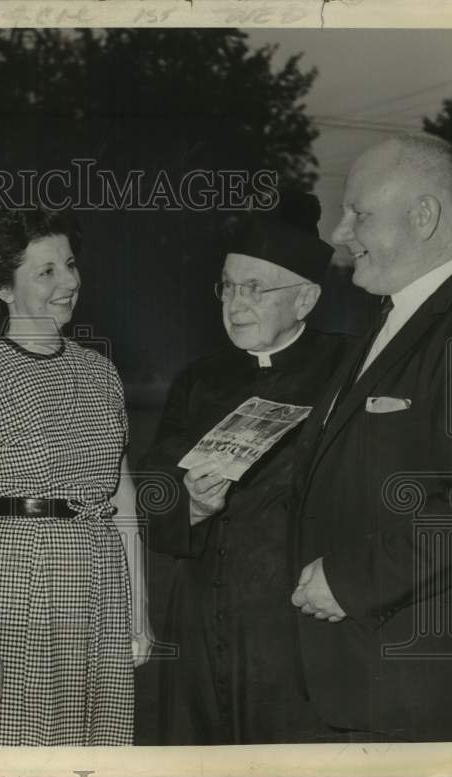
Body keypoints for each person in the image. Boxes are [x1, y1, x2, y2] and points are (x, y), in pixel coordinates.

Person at [289, 133, 452, 741]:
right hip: (362, 679)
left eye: (359, 213)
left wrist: (353, 581)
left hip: (422, 689)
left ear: (425, 215)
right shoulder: (389, 317)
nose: (339, 234)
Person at [0, 207, 153, 746]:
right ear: (4, 289)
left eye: (71, 265)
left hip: (98, 585)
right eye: (46, 271)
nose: (70, 282)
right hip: (14, 591)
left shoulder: (100, 371)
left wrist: (138, 612)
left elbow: (123, 499)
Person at [140, 198, 349, 744]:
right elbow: (153, 481)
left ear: (305, 298)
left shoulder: (348, 369)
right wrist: (189, 504)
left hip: (294, 624)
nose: (236, 303)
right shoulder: (198, 378)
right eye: (229, 286)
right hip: (198, 617)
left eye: (256, 288)